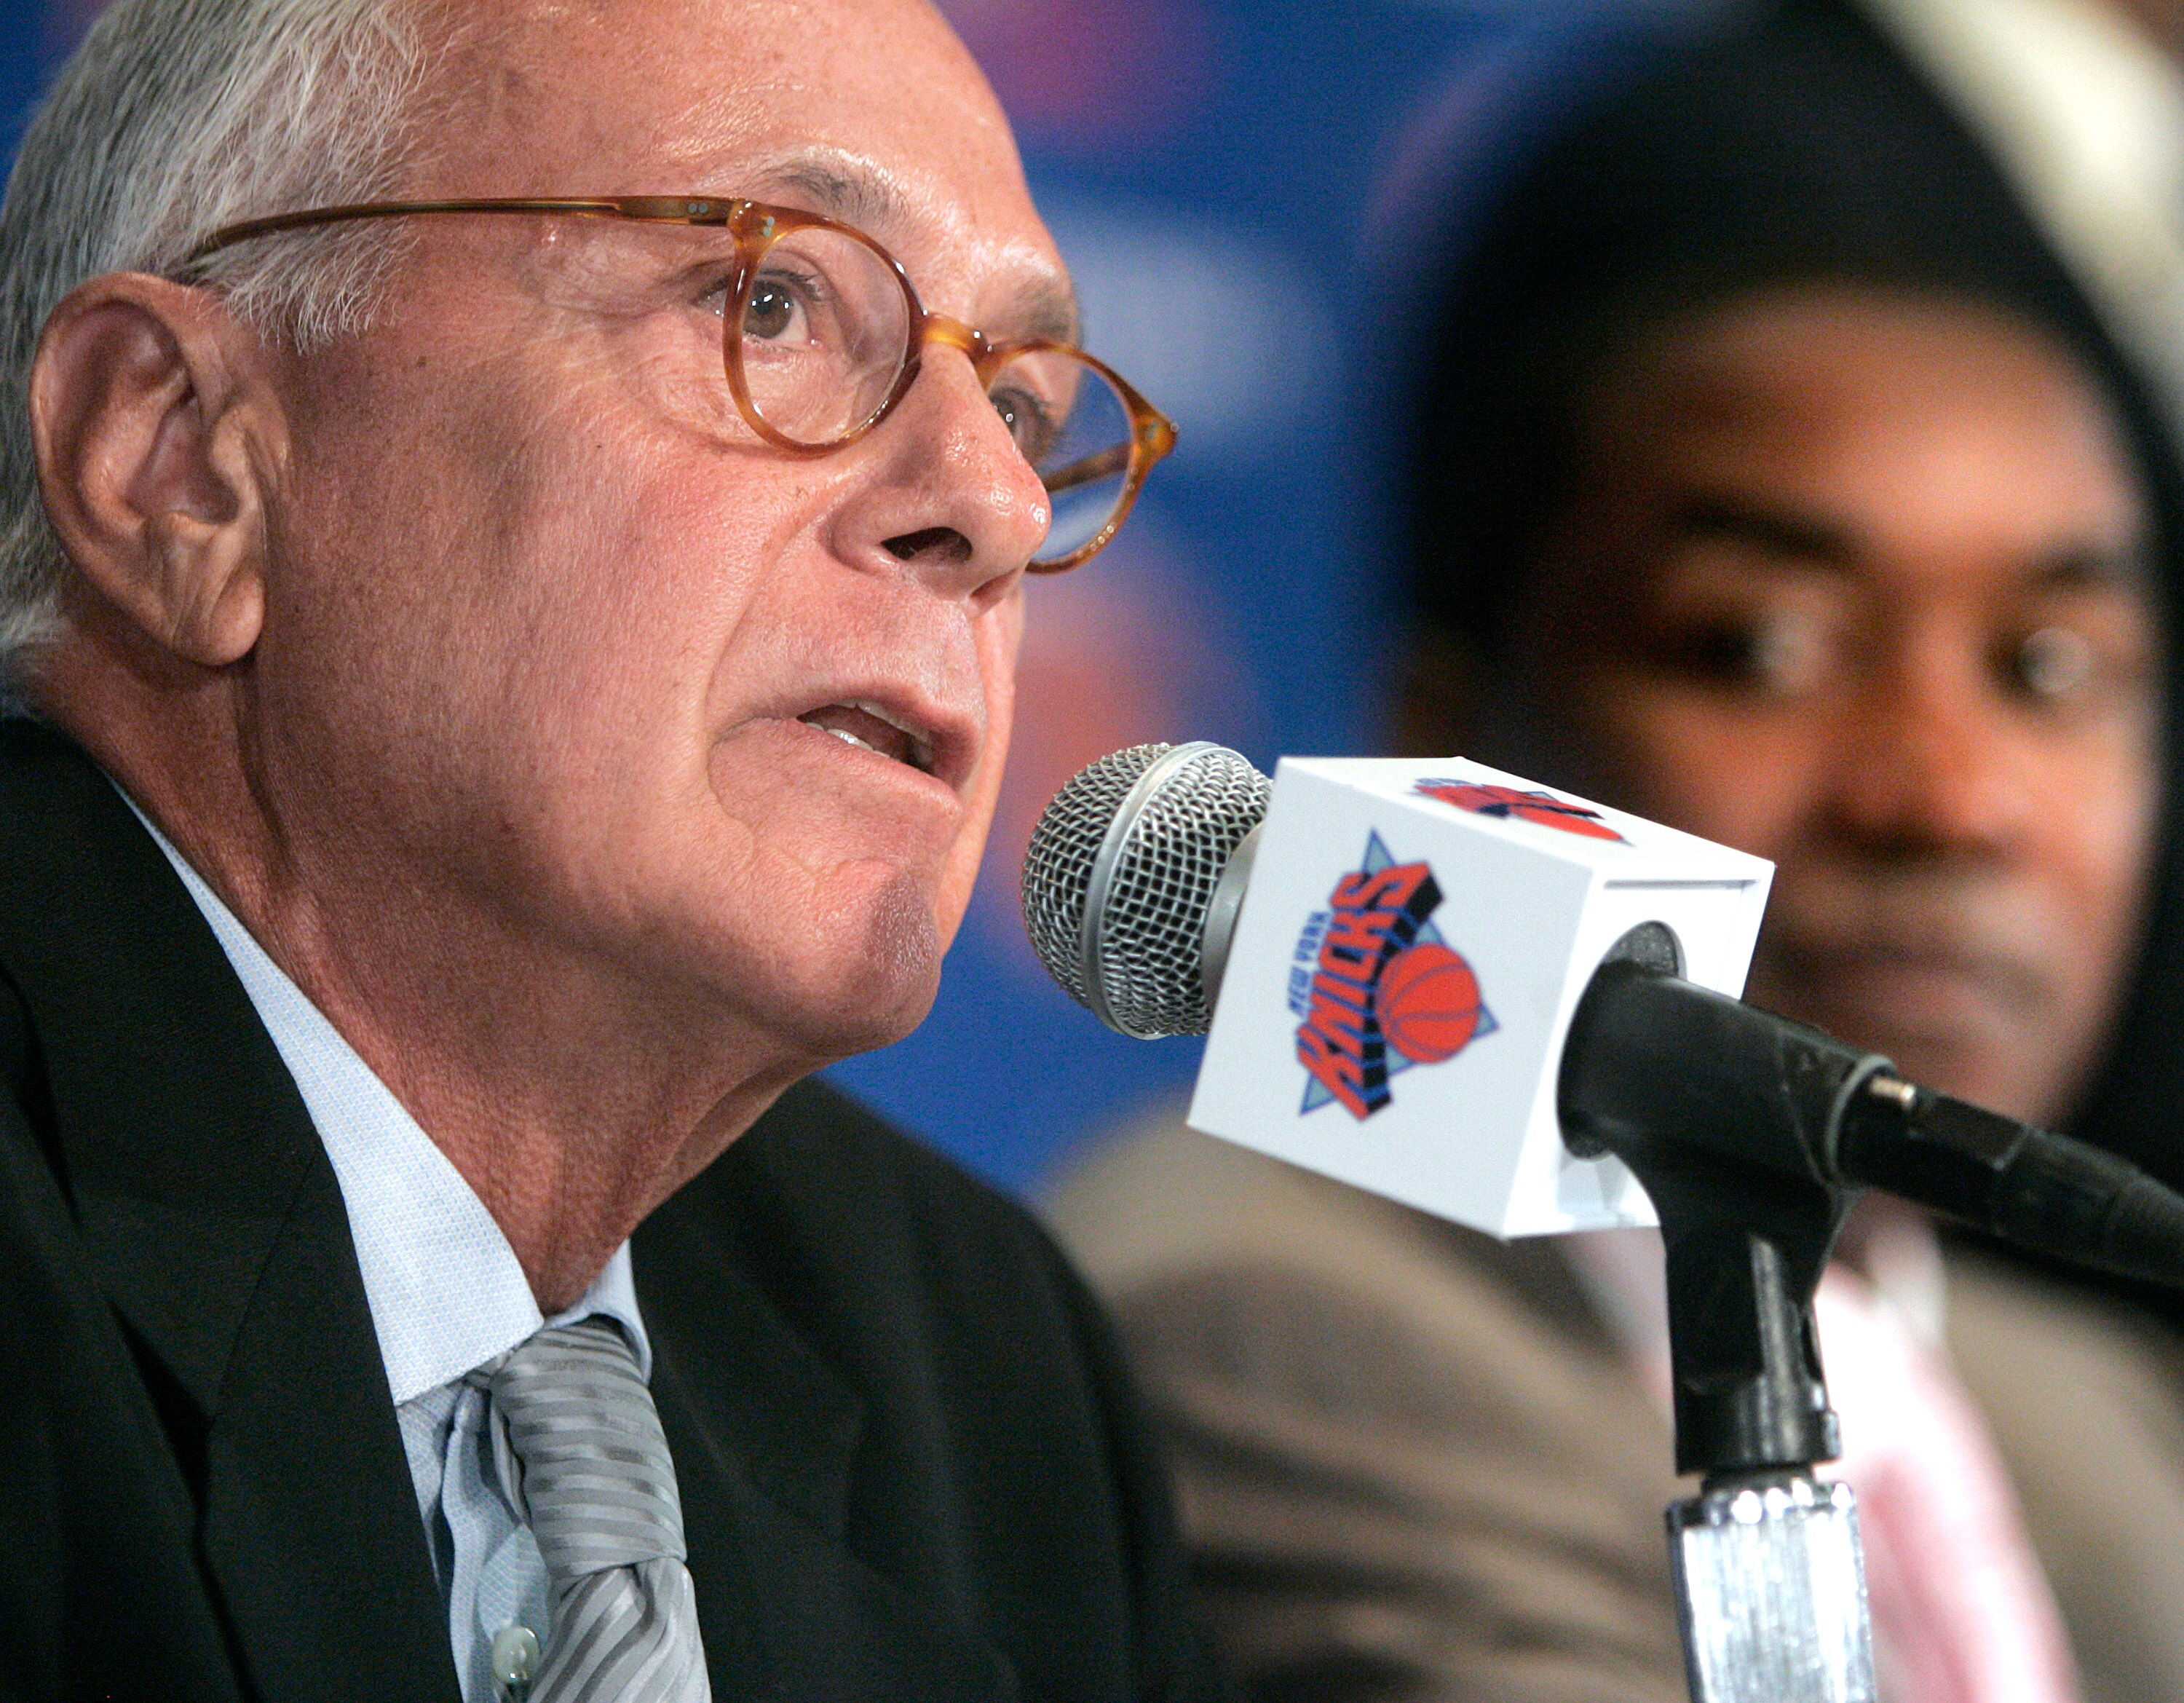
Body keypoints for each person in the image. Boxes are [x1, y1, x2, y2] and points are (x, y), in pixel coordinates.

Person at [0, 1, 1221, 1700]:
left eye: (1018, 408)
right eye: (771, 298)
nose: (997, 509)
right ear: (181, 462)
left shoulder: (988, 1381)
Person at [1049, 2, 2184, 1699]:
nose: (1954, 802)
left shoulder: (2081, 1406)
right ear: (1443, 739)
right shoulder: (1268, 1313)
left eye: (2050, 670)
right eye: (1759, 650)